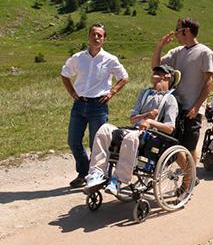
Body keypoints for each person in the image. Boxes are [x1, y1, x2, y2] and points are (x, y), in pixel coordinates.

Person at [85, 65, 179, 195]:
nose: (155, 73)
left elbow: (170, 128)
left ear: (168, 76)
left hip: (152, 136)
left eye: (159, 71)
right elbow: (133, 119)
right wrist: (146, 116)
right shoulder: (145, 93)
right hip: (136, 129)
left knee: (131, 138)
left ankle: (118, 179)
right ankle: (97, 173)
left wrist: (151, 121)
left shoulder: (170, 100)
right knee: (104, 129)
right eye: (155, 71)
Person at [61, 23, 129, 188]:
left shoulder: (110, 59)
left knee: (96, 143)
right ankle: (84, 172)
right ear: (88, 37)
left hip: (98, 106)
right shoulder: (78, 58)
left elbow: (124, 77)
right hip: (79, 104)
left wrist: (112, 92)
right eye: (94, 34)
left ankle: (98, 175)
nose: (96, 37)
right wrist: (72, 93)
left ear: (104, 39)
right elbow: (65, 73)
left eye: (100, 35)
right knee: (73, 141)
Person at [152, 17, 213, 162]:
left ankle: (189, 178)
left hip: (192, 108)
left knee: (189, 147)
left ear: (186, 31)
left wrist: (196, 107)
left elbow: (209, 82)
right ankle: (190, 177)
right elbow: (155, 67)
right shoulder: (177, 51)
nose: (175, 34)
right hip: (175, 106)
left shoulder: (205, 53)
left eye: (177, 30)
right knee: (173, 145)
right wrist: (160, 46)